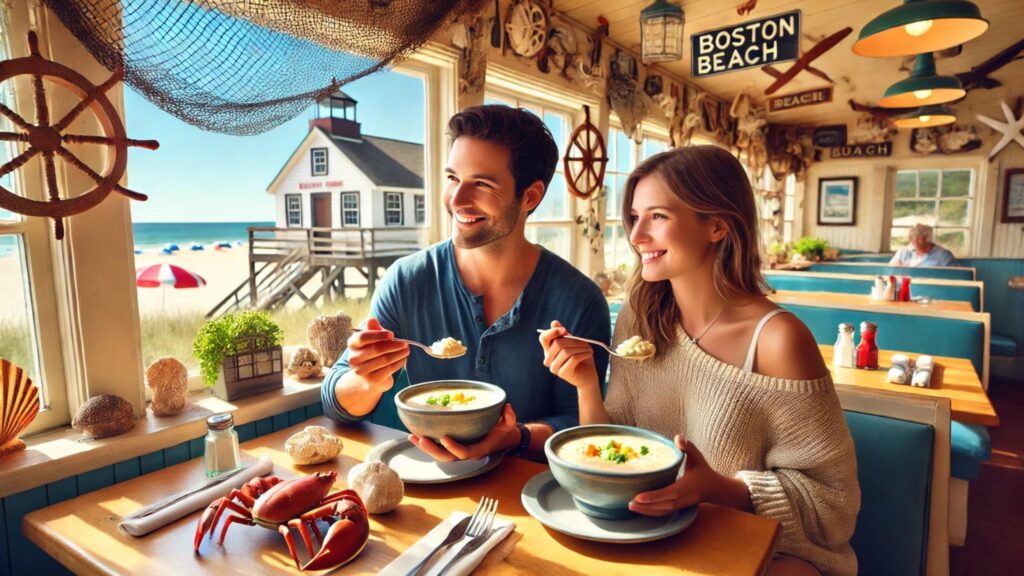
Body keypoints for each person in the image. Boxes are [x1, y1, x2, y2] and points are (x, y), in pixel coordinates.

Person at [539, 146, 859, 576]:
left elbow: (834, 504)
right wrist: (585, 384)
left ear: (717, 225)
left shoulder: (778, 340)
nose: (636, 236)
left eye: (658, 216)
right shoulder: (640, 317)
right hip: (651, 537)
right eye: (634, 217)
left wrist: (726, 490)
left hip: (766, 550)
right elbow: (613, 447)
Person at [322, 104, 610, 462]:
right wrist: (368, 382)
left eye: (482, 183)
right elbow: (335, 401)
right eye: (453, 178)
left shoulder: (579, 300)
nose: (456, 200)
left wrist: (514, 438)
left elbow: (579, 421)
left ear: (531, 197)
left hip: (529, 493)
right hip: (428, 494)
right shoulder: (407, 280)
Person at [888, 223, 957, 267]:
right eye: (912, 237)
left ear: (928, 238)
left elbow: (953, 276)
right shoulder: (903, 252)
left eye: (918, 238)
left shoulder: (943, 255)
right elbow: (890, 271)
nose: (914, 241)